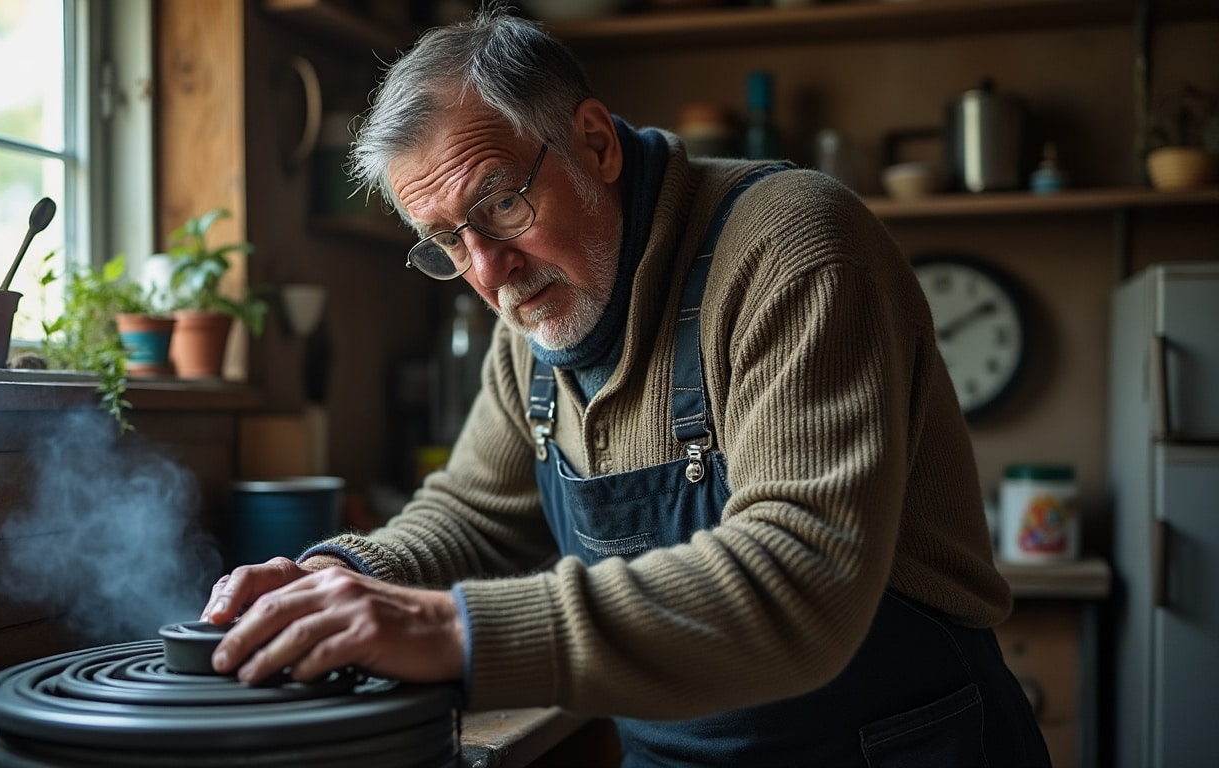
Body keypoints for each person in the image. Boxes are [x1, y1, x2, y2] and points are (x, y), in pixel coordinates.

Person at [201, 4, 1050, 765]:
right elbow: (476, 514)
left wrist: (448, 628)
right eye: (449, 241)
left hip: (894, 743)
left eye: (501, 204)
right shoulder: (533, 311)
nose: (489, 272)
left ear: (597, 145)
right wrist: (338, 577)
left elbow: (800, 581)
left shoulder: (794, 248)